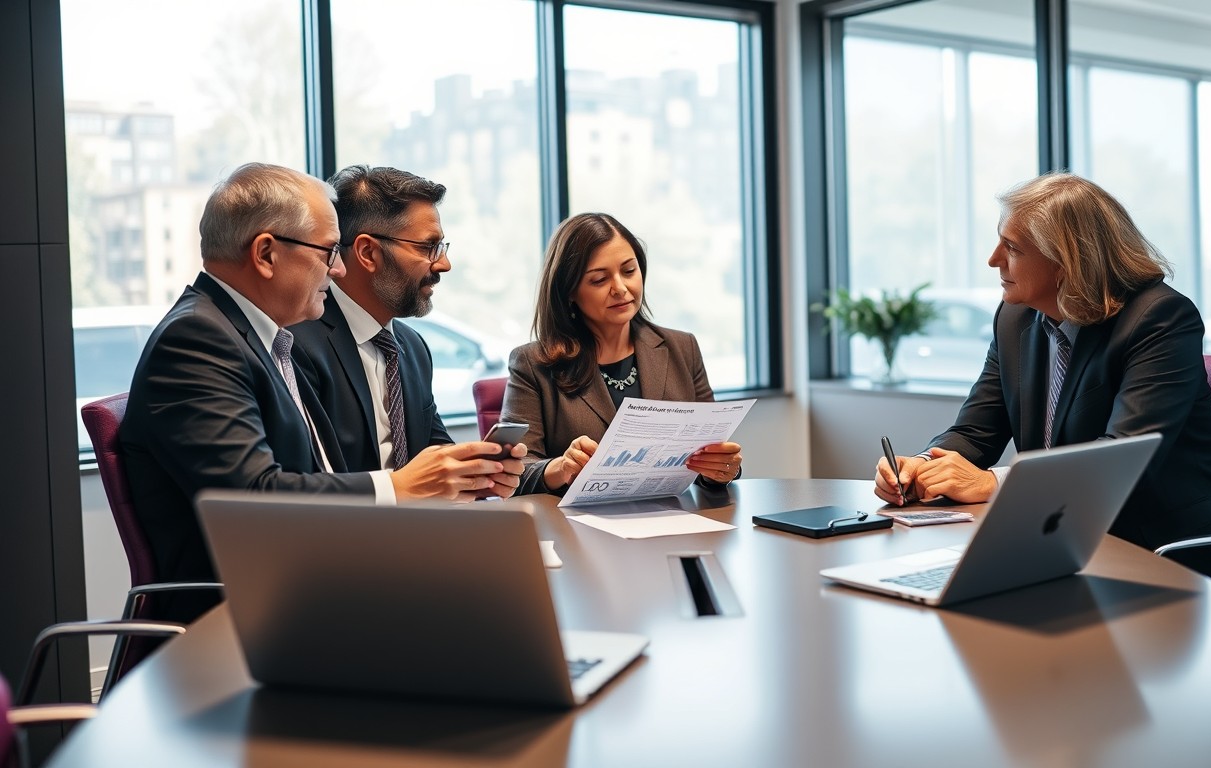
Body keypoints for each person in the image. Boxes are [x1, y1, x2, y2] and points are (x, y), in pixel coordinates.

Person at [120, 163, 521, 622]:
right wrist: (398, 487)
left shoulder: (266, 337)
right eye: (329, 251)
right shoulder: (197, 340)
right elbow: (252, 500)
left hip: (312, 585)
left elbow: (315, 475)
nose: (340, 268)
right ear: (267, 254)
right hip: (241, 621)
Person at [875, 172, 1211, 578]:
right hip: (1053, 542)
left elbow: (1122, 456)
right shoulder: (1014, 319)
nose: (993, 259)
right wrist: (922, 469)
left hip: (1157, 552)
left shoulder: (1160, 318)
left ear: (1066, 262)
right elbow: (975, 432)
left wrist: (996, 484)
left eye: (1012, 248)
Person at [289, 164, 525, 491]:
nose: (444, 264)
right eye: (428, 247)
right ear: (368, 252)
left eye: (442, 248)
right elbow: (309, 486)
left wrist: (480, 476)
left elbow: (436, 453)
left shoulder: (413, 348)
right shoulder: (295, 344)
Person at [501, 212, 743, 496]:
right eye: (600, 279)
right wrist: (561, 467)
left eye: (629, 271)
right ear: (569, 292)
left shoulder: (682, 347)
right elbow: (511, 470)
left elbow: (711, 451)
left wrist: (722, 470)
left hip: (671, 520)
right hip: (575, 530)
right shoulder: (532, 364)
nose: (620, 288)